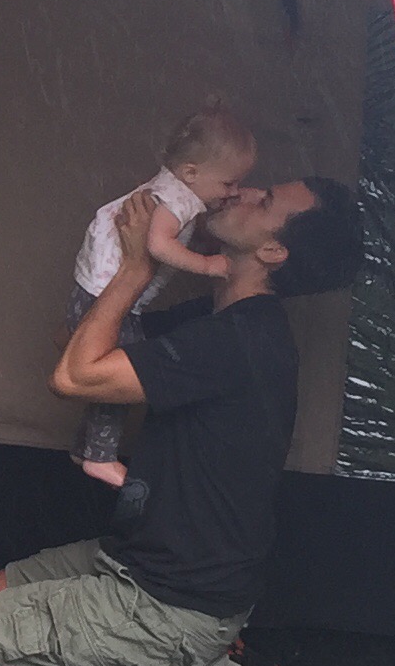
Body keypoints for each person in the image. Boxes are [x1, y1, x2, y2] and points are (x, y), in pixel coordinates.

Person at [0, 173, 363, 666]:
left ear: (272, 251)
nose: (241, 192)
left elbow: (74, 378)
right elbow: (74, 342)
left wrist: (137, 269)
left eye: (263, 202)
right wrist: (119, 257)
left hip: (171, 601)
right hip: (135, 560)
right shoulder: (216, 318)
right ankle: (171, 665)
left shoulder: (239, 340)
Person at [64, 105, 258, 490]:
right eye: (228, 184)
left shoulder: (173, 190)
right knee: (116, 375)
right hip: (106, 296)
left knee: (105, 372)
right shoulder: (175, 199)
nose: (234, 193)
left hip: (90, 291)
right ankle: (99, 456)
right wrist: (206, 265)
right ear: (191, 173)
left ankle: (84, 446)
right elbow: (157, 245)